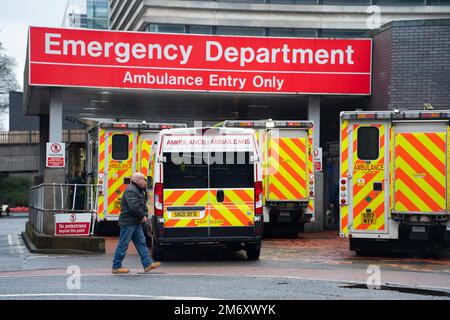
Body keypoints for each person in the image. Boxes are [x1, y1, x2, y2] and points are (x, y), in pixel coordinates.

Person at [112, 172, 161, 274]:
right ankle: (116, 266)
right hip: (128, 222)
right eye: (143, 179)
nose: (145, 182)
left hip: (135, 221)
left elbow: (142, 205)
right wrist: (142, 216)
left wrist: (145, 215)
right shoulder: (131, 191)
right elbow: (134, 207)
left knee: (141, 243)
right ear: (136, 181)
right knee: (123, 244)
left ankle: (147, 264)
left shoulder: (137, 190)